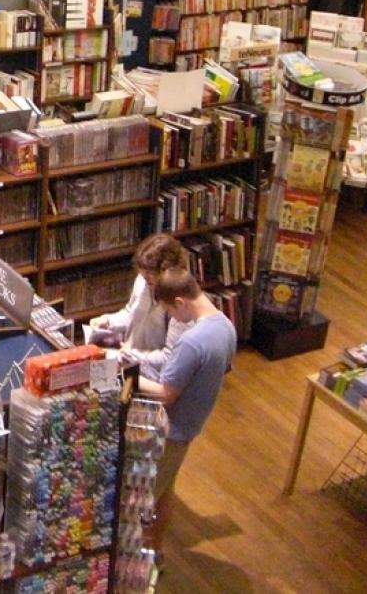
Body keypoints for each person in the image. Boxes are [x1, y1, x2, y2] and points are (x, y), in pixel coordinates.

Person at [137, 267, 237, 547]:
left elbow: (165, 394)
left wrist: (128, 375)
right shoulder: (226, 327)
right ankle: (156, 550)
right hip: (191, 425)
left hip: (170, 431)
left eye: (170, 310)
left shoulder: (191, 343)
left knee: (142, 500)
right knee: (166, 491)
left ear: (180, 302)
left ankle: (137, 559)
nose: (171, 317)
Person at [87, 233, 193, 377]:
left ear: (166, 271)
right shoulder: (143, 281)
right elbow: (130, 312)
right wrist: (108, 321)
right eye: (143, 272)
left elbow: (169, 357)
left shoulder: (179, 305)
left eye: (149, 274)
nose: (144, 277)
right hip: (126, 359)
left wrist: (133, 355)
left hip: (151, 374)